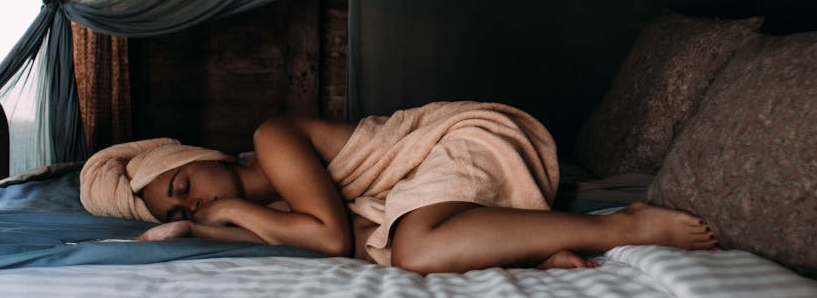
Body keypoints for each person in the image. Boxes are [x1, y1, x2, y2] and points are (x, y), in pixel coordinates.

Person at [80, 101, 717, 273]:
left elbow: (329, 242)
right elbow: (355, 242)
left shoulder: (272, 138)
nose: (194, 200)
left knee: (411, 249)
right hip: (430, 189)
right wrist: (199, 227)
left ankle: (620, 224)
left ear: (203, 155)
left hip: (462, 138)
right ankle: (526, 243)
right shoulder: (273, 209)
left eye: (186, 185)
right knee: (390, 249)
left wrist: (236, 211)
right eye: (182, 205)